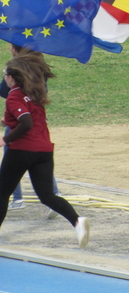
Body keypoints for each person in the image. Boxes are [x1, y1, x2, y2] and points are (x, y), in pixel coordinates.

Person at [0, 55, 90, 248]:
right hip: (44, 151)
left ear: (11, 78)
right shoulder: (33, 94)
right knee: (47, 196)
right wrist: (7, 121)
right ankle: (77, 221)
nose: (4, 77)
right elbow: (32, 118)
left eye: (4, 74)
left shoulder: (14, 96)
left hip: (22, 150)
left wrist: (5, 139)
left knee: (2, 192)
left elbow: (26, 122)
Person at [0, 45, 61, 212]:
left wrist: (5, 138)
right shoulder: (39, 64)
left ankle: (17, 199)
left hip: (23, 124)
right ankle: (54, 195)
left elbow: (4, 91)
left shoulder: (17, 67)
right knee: (41, 163)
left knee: (9, 166)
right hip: (38, 122)